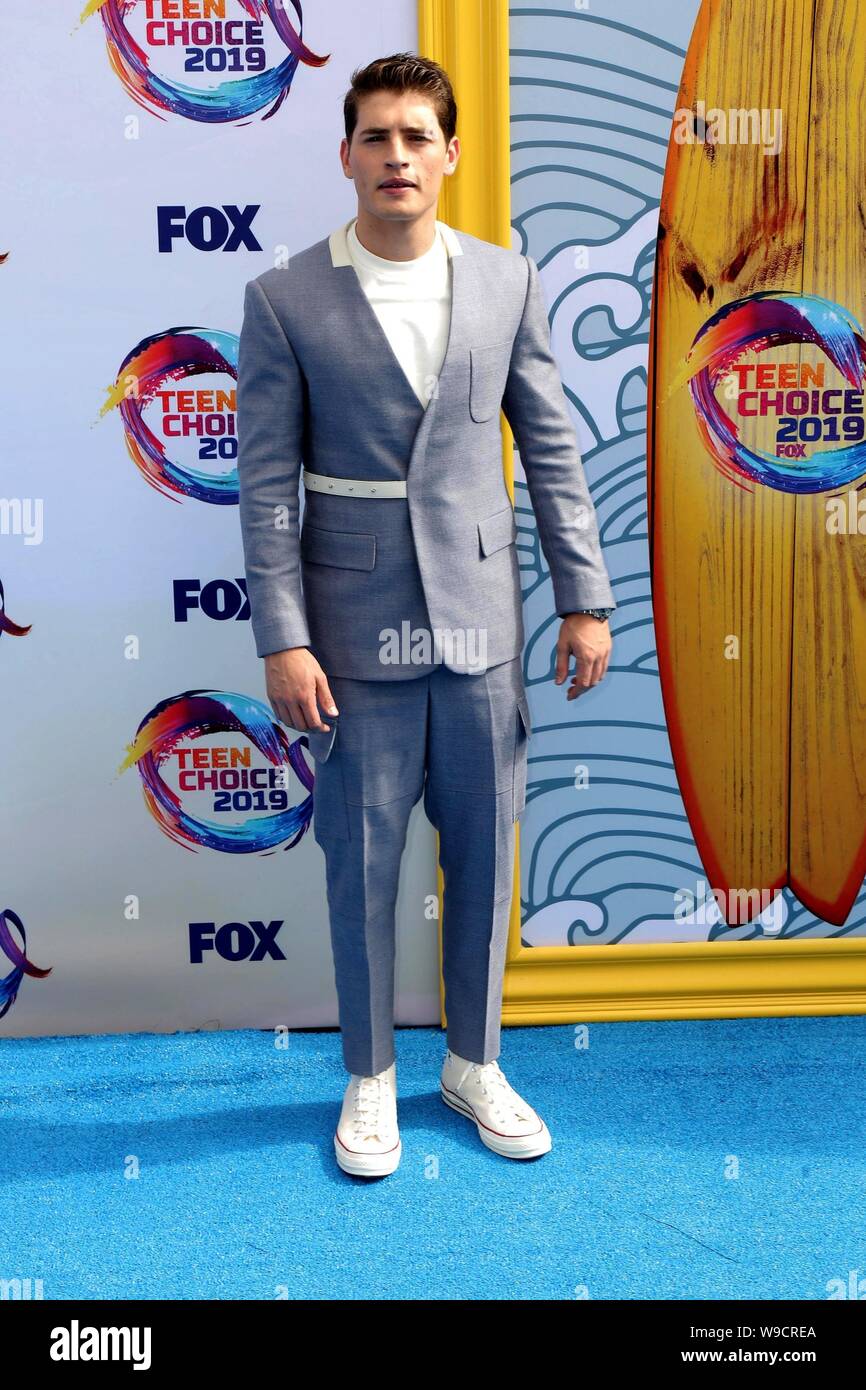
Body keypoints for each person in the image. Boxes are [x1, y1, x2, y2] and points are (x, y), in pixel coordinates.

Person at [236, 52, 616, 1178]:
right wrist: (283, 634)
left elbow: (548, 447)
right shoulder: (283, 297)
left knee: (483, 857)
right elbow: (265, 487)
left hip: (484, 625)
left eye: (416, 136)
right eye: (375, 137)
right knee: (359, 859)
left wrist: (584, 600)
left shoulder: (506, 282)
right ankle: (368, 1077)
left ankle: (473, 1061)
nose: (396, 156)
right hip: (348, 634)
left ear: (450, 154)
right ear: (346, 155)